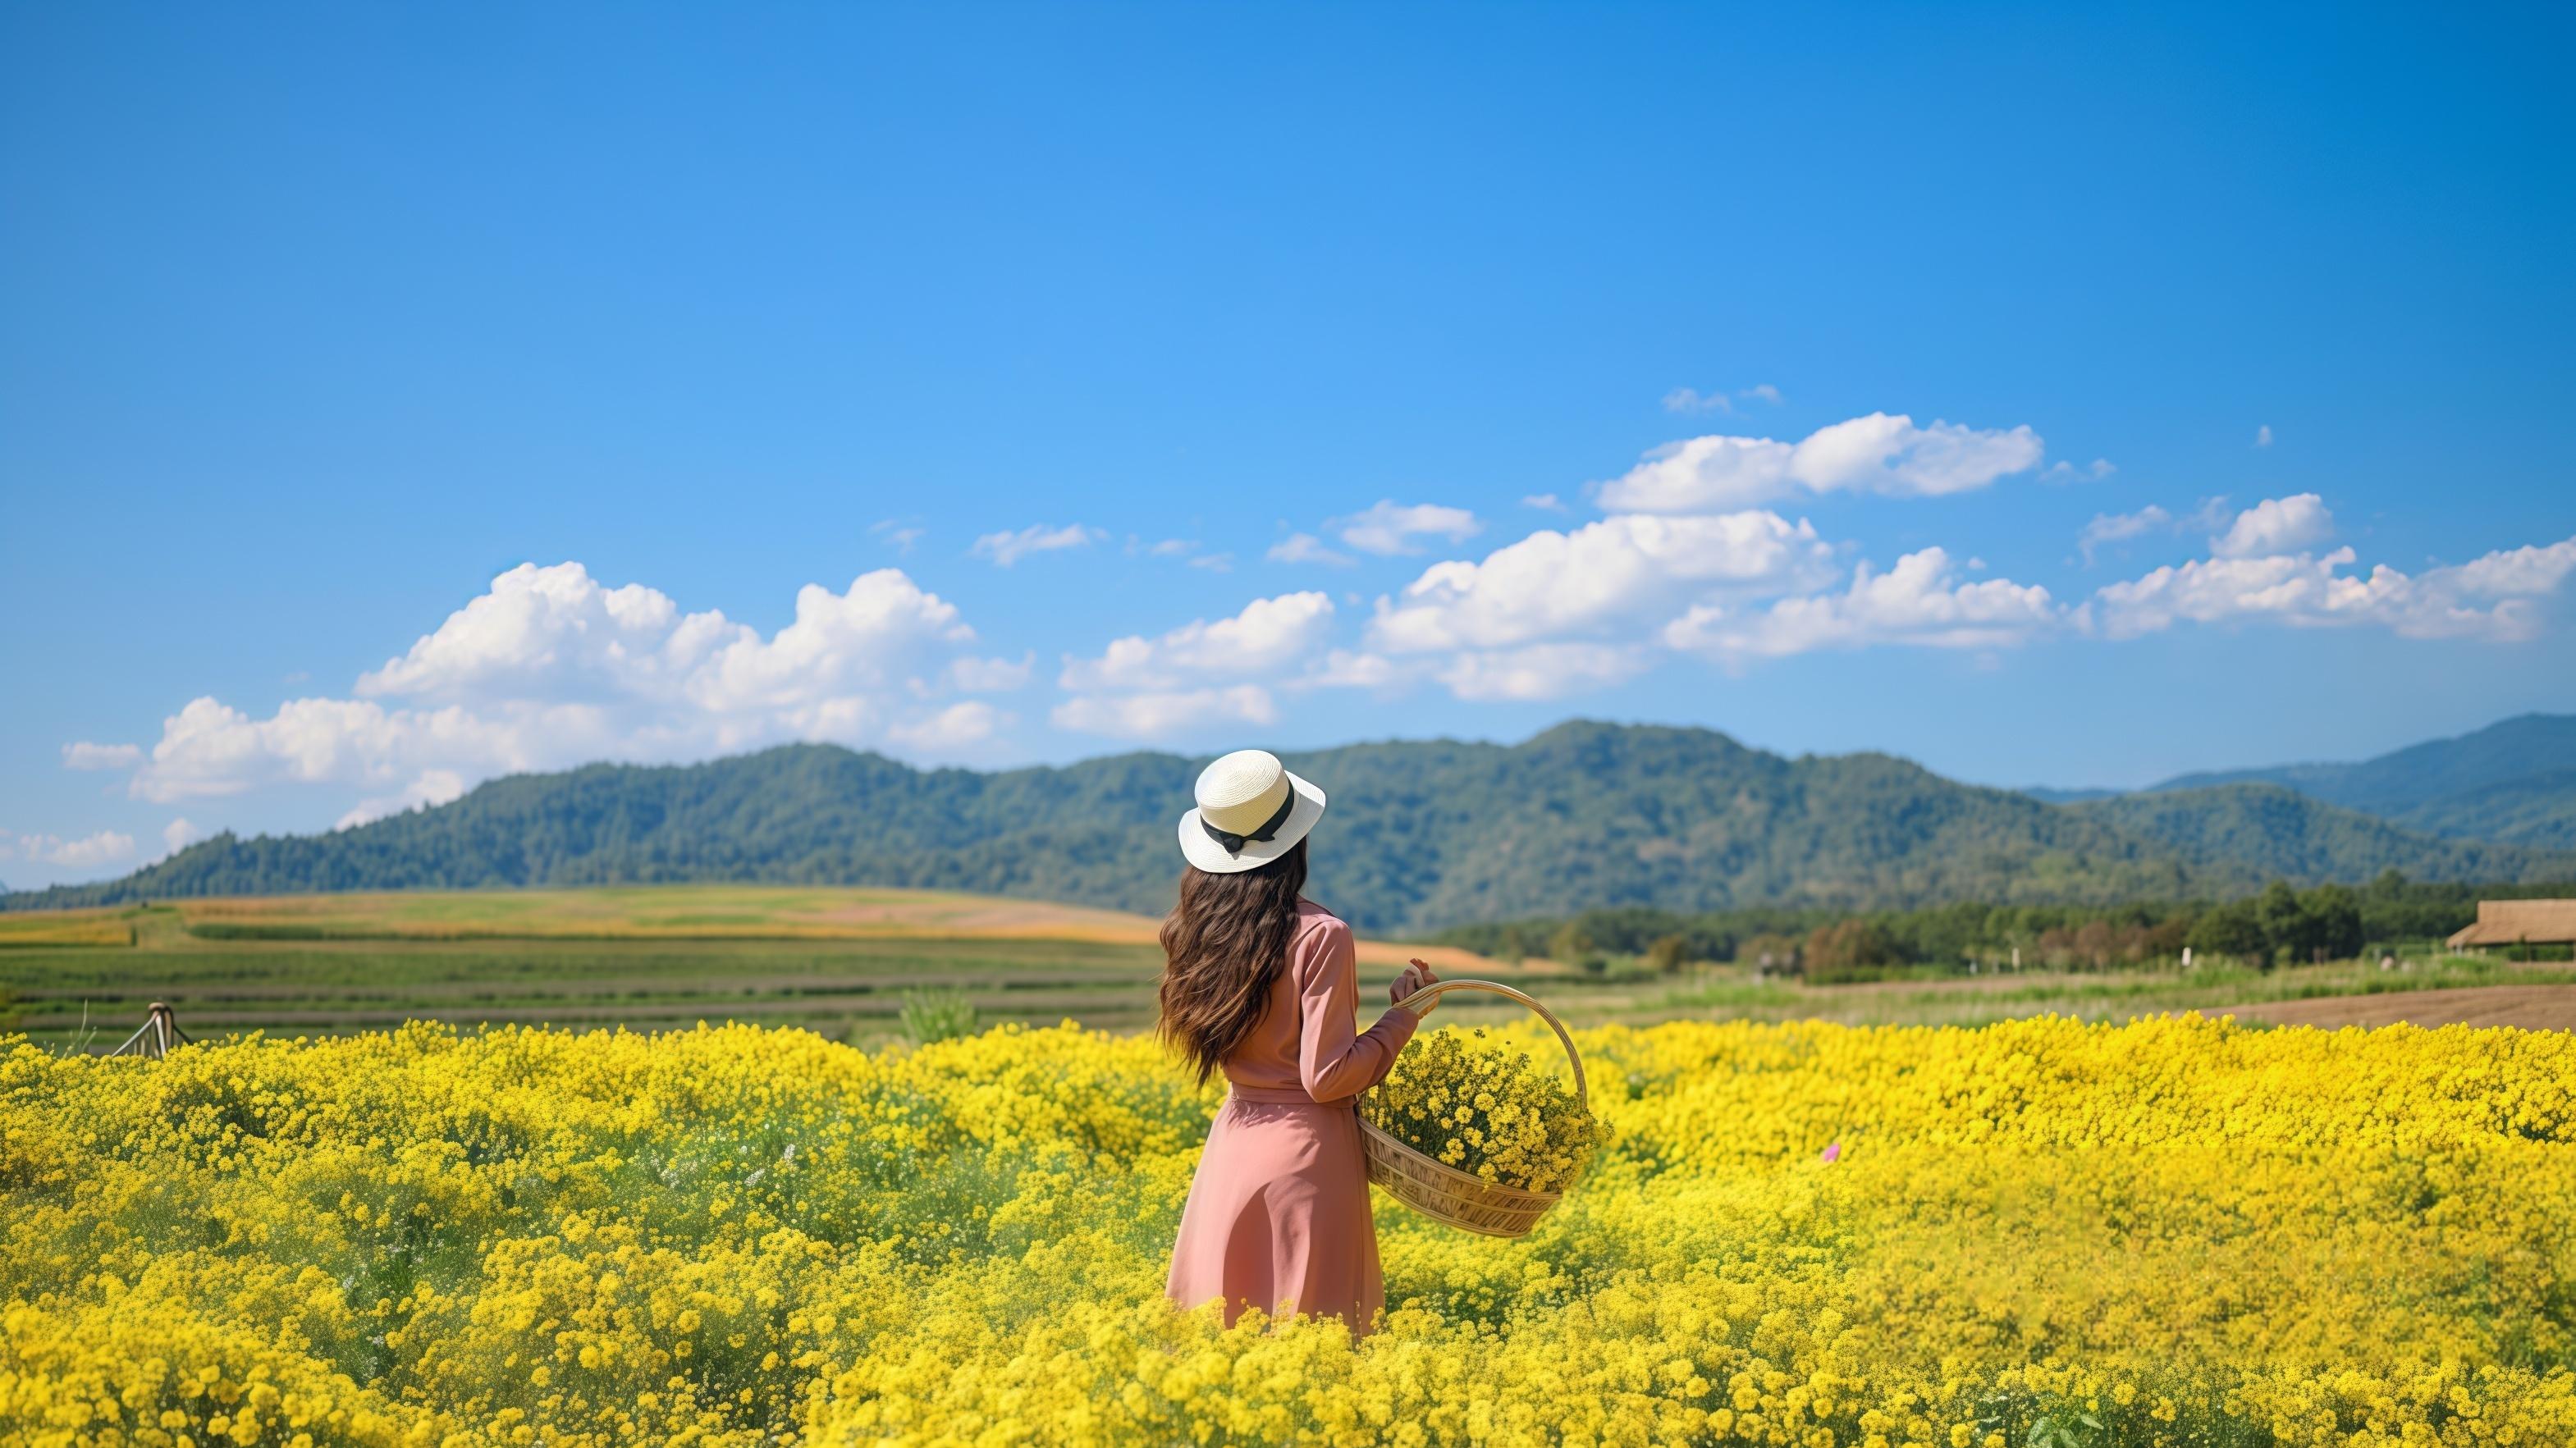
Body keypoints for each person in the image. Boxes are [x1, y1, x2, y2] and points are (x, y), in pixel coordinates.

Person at [1160, 748, 1438, 1336]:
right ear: (1295, 841)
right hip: (1307, 1158)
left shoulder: (1195, 930)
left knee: (1221, 1343)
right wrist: (1402, 1019)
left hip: (1233, 1146)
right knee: (1315, 1344)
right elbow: (1327, 1076)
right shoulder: (1322, 935)